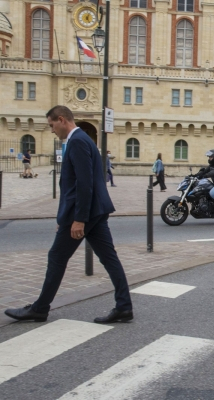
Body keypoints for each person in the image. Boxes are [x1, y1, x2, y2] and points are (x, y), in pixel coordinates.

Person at [4, 106, 133, 324]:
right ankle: (124, 306)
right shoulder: (81, 139)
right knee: (109, 258)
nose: (52, 130)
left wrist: (77, 219)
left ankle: (40, 308)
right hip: (95, 211)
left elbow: (83, 185)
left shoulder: (78, 141)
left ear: (61, 120)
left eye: (52, 125)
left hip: (85, 213)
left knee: (57, 257)